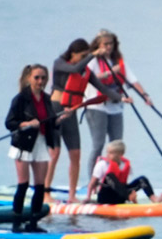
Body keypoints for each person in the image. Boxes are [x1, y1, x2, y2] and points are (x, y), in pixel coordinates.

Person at [47, 38, 117, 203]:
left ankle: (72, 196)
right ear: (73, 53)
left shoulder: (85, 71)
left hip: (70, 113)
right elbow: (74, 68)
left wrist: (121, 98)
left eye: (87, 55)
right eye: (83, 55)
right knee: (55, 153)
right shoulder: (60, 63)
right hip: (55, 110)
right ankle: (45, 193)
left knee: (76, 154)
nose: (86, 59)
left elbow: (103, 88)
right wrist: (93, 54)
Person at [5, 64, 66, 232]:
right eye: (37, 78)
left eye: (43, 78)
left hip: (40, 143)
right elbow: (9, 123)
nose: (40, 81)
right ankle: (16, 222)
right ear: (29, 79)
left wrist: (59, 120)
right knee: (23, 184)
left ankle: (33, 223)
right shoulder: (20, 99)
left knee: (40, 185)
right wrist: (26, 123)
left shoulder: (47, 98)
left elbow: (50, 122)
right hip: (23, 144)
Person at [83, 30, 148, 180]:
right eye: (105, 44)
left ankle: (116, 180)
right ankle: (93, 182)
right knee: (98, 145)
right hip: (96, 107)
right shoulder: (92, 61)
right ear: (98, 45)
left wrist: (145, 96)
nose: (108, 47)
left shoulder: (118, 61)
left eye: (111, 44)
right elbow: (89, 77)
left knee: (117, 146)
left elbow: (132, 80)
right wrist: (110, 73)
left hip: (115, 108)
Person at [85, 140, 162, 204]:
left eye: (111, 153)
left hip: (120, 196)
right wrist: (88, 198)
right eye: (108, 152)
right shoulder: (101, 164)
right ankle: (129, 196)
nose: (107, 155)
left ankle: (154, 199)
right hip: (106, 197)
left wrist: (130, 191)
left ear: (121, 154)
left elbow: (124, 184)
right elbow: (92, 183)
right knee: (110, 175)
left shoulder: (125, 165)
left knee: (142, 179)